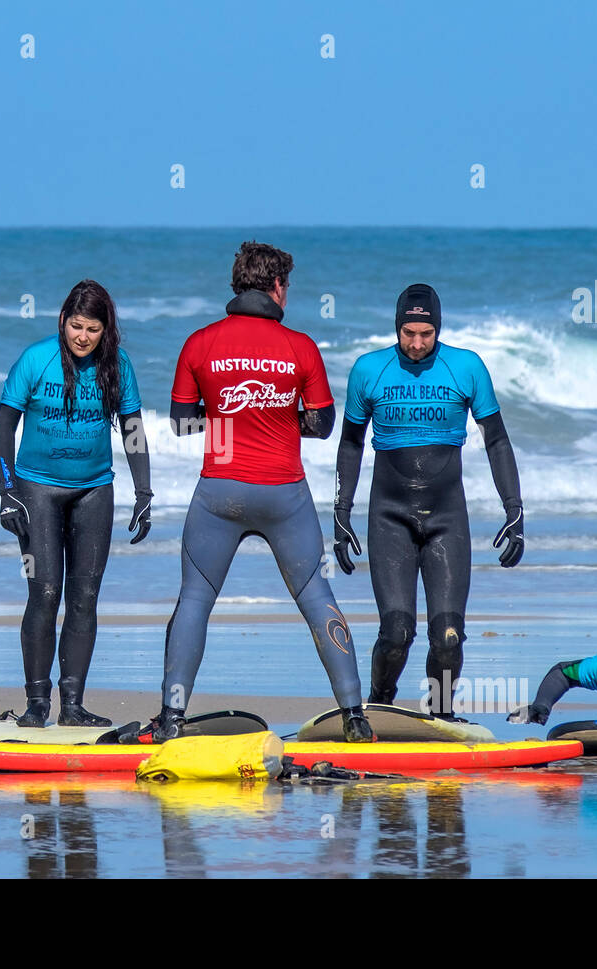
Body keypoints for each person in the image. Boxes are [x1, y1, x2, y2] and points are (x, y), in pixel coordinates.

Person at [146, 241, 372, 743]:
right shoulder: (301, 346)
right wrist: (279, 413)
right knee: (316, 594)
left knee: (195, 599)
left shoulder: (200, 342)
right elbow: (322, 424)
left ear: (236, 286)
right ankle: (355, 717)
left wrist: (229, 416)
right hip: (284, 493)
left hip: (220, 492)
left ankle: (172, 719)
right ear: (277, 287)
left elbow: (183, 425)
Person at [333, 283, 523, 718]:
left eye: (426, 334)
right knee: (397, 631)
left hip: (447, 518)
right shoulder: (369, 370)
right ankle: (380, 703)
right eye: (408, 333)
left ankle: (439, 716)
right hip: (389, 518)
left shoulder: (467, 367)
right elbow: (350, 446)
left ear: (438, 329)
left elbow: (496, 441)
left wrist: (514, 509)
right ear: (397, 328)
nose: (417, 344)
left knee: (449, 634)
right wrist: (341, 513)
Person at [0, 279, 151, 728]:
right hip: (36, 490)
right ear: (63, 321)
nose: (82, 337)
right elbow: (4, 429)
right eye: (76, 326)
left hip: (94, 491)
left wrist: (144, 493)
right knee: (43, 592)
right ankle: (36, 705)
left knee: (84, 598)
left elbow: (133, 430)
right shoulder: (35, 359)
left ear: (107, 330)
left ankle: (73, 706)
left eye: (93, 329)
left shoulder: (118, 365)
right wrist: (7, 493)